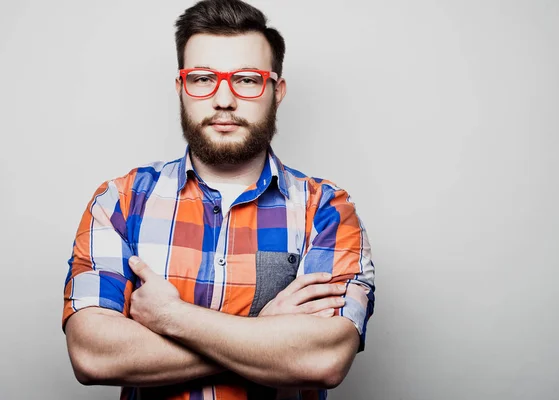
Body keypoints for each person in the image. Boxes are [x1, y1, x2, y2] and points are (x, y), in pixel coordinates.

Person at [62, 0, 375, 399]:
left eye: (246, 80)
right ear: (181, 88)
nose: (223, 100)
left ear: (276, 91)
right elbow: (93, 356)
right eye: (202, 78)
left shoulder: (328, 210)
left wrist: (172, 317)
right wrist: (265, 331)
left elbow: (323, 360)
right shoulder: (119, 202)